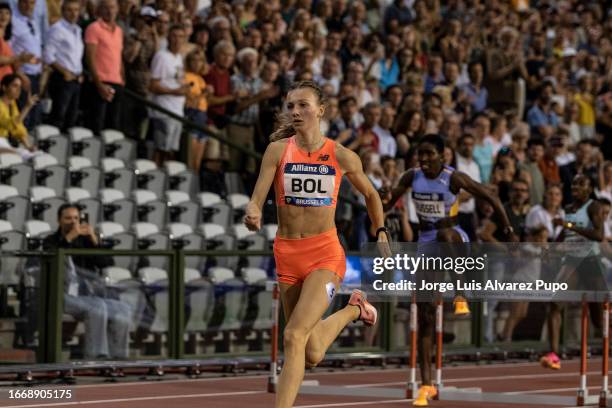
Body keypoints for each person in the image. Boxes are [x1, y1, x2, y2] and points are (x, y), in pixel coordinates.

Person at [244, 80, 387, 408]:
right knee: (310, 352)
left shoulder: (341, 155)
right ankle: (354, 309)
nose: (295, 111)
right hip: (286, 252)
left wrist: (380, 230)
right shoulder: (278, 151)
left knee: (293, 337)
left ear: (321, 110)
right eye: (291, 105)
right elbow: (257, 198)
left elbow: (370, 194)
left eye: (303, 104)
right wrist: (252, 212)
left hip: (324, 253)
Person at [381, 134, 518, 406]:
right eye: (420, 153)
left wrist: (508, 229)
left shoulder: (454, 178)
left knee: (445, 235)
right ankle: (427, 384)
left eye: (430, 153)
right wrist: (378, 214)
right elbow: (385, 203)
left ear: (444, 156)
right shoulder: (411, 176)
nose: (424, 159)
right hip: (426, 243)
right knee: (425, 316)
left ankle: (461, 292)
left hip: (455, 237)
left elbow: (490, 196)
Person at [43, 204, 132, 359]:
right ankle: (97, 357)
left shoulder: (85, 241)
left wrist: (94, 240)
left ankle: (119, 359)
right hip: (62, 294)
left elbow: (106, 263)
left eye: (76, 218)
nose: (73, 222)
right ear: (59, 220)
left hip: (88, 294)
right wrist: (69, 238)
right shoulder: (50, 241)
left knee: (123, 309)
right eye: (68, 218)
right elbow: (53, 258)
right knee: (97, 307)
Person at [542, 174, 606, 370]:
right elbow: (566, 233)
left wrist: (570, 226)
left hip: (590, 261)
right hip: (571, 260)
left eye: (581, 183)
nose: (576, 186)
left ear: (590, 187)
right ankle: (553, 354)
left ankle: (606, 345)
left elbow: (598, 234)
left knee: (599, 315)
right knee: (554, 302)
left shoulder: (594, 206)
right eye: (574, 183)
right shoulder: (569, 208)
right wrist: (552, 247)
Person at [0, 73, 37, 157]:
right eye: (15, 86)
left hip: (7, 143)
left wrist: (29, 147)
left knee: (38, 155)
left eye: (20, 87)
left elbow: (19, 129)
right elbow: (9, 124)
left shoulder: (13, 104)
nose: (19, 90)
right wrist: (27, 107)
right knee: (21, 156)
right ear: (4, 87)